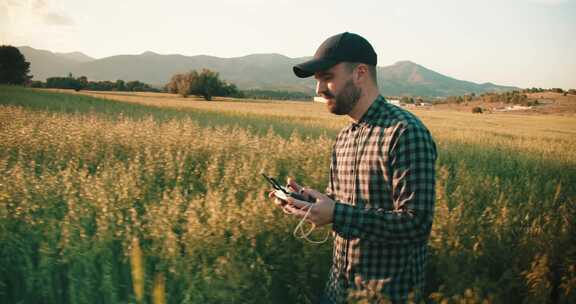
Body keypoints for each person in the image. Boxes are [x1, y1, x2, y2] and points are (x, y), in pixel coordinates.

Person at [271, 32, 437, 303]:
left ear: (360, 73)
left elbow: (416, 224)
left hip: (384, 296)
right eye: (317, 81)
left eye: (327, 78)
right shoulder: (345, 138)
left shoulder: (406, 133)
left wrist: (336, 213)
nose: (319, 89)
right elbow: (343, 205)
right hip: (337, 290)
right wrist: (307, 203)